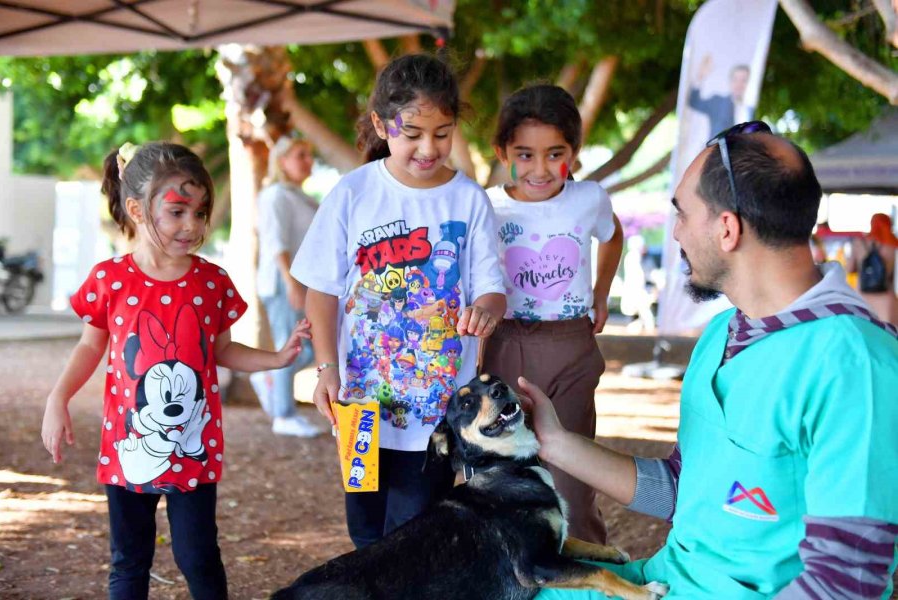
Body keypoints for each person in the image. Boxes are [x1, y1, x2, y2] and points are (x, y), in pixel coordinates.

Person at [519, 123, 898, 599]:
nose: (674, 231)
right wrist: (554, 443)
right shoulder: (723, 333)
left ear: (727, 229)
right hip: (666, 580)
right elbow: (685, 493)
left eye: (682, 213)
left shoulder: (856, 363)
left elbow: (846, 583)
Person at [40, 142, 312, 600]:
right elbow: (91, 346)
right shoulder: (110, 279)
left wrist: (277, 359)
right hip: (127, 451)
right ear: (136, 209)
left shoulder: (212, 281)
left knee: (199, 556)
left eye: (200, 213)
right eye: (178, 211)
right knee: (129, 562)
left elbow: (222, 349)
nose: (193, 226)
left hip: (194, 453)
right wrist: (57, 398)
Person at [291, 54, 506, 549]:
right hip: (360, 407)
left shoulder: (469, 200)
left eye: (442, 132)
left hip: (438, 413)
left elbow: (491, 288)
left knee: (412, 535)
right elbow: (320, 290)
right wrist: (326, 368)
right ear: (380, 125)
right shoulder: (352, 193)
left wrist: (486, 312)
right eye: (411, 133)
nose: (428, 148)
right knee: (366, 532)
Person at [482, 84, 623, 544]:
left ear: (574, 153)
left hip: (571, 348)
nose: (540, 169)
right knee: (504, 473)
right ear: (502, 151)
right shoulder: (485, 205)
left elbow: (613, 235)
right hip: (502, 346)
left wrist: (601, 293)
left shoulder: (589, 199)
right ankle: (510, 573)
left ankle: (587, 575)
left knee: (571, 479)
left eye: (554, 154)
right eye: (524, 155)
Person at [252, 134, 322, 437]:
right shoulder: (275, 196)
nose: (308, 161)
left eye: (309, 155)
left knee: (308, 348)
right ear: (282, 161)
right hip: (283, 284)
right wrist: (290, 283)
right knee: (292, 345)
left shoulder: (301, 197)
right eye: (300, 155)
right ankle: (283, 414)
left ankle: (268, 378)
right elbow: (275, 243)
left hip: (301, 283)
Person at [688, 55, 754, 138]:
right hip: (717, 150)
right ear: (730, 81)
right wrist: (700, 76)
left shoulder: (749, 109)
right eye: (735, 79)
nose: (739, 84)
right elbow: (694, 102)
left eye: (743, 80)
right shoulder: (717, 102)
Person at [850, 213, 898, 324]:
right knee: (889, 337)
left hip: (862, 297)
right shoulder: (893, 246)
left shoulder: (859, 243)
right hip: (886, 299)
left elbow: (850, 269)